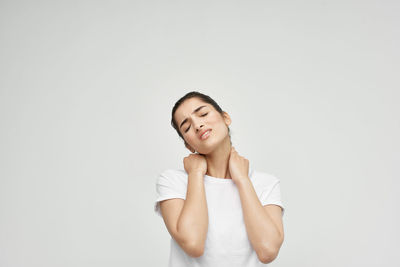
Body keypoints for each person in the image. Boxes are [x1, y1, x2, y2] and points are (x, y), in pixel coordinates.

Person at [154, 91, 285, 267]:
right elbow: (193, 244)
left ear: (225, 118)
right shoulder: (173, 181)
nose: (198, 125)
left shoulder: (265, 183)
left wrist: (242, 180)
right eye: (186, 127)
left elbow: (268, 251)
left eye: (203, 114)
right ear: (188, 144)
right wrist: (196, 174)